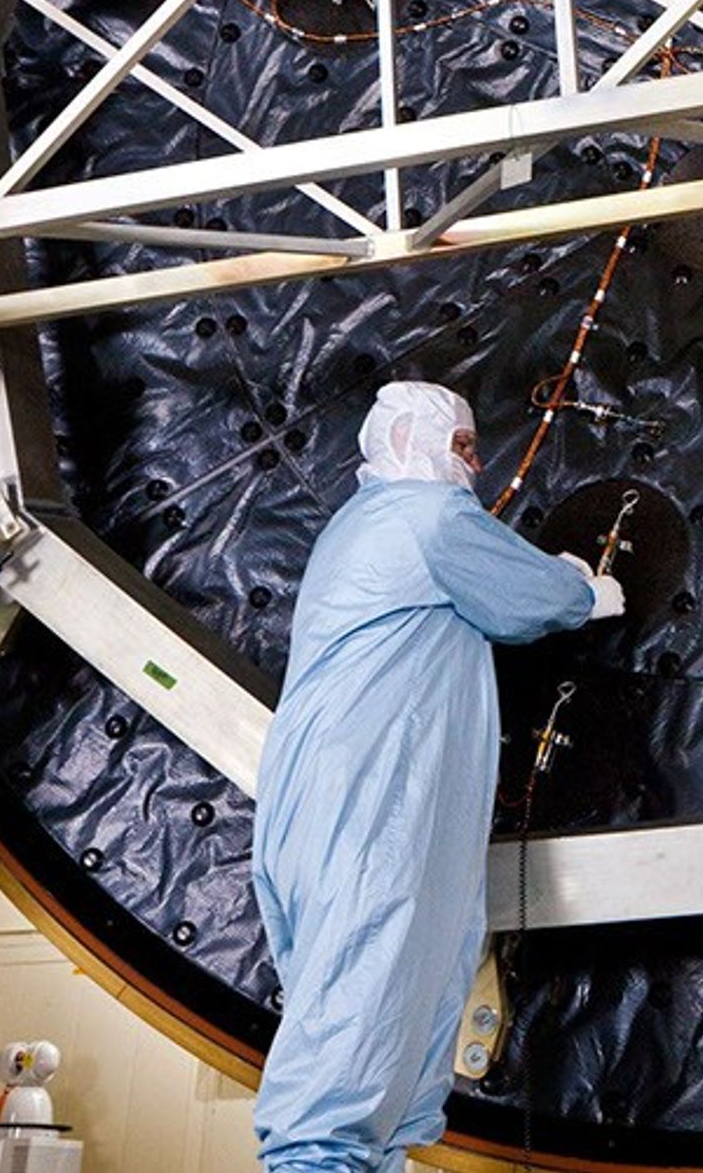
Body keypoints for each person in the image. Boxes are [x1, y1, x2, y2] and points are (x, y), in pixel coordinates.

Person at [254, 381, 624, 1173]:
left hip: (347, 796)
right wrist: (585, 588)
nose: (477, 462)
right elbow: (528, 599)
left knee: (383, 1011)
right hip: (371, 802)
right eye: (462, 445)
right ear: (412, 441)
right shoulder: (424, 514)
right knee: (358, 1003)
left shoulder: (362, 525)